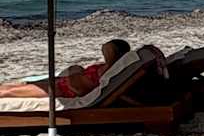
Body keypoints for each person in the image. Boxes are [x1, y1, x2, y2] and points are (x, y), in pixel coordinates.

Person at [0, 37, 131, 99]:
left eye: (109, 48)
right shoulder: (108, 67)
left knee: (9, 92)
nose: (104, 48)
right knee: (16, 85)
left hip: (64, 90)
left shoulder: (110, 69)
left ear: (115, 52)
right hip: (61, 83)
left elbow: (82, 89)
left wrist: (75, 74)